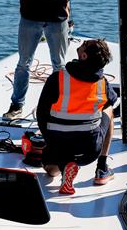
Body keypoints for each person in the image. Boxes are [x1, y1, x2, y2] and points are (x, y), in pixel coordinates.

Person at [36, 39, 117, 194]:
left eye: (85, 44)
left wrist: (49, 141)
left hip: (58, 144)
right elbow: (112, 100)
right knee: (109, 108)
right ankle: (102, 168)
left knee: (50, 169)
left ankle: (64, 166)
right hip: (88, 150)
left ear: (84, 55)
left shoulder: (58, 78)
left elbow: (41, 114)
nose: (83, 42)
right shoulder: (102, 83)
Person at [3, 0, 75, 121]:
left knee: (59, 64)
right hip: (30, 16)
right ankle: (17, 106)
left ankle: (60, 105)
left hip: (57, 18)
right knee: (23, 63)